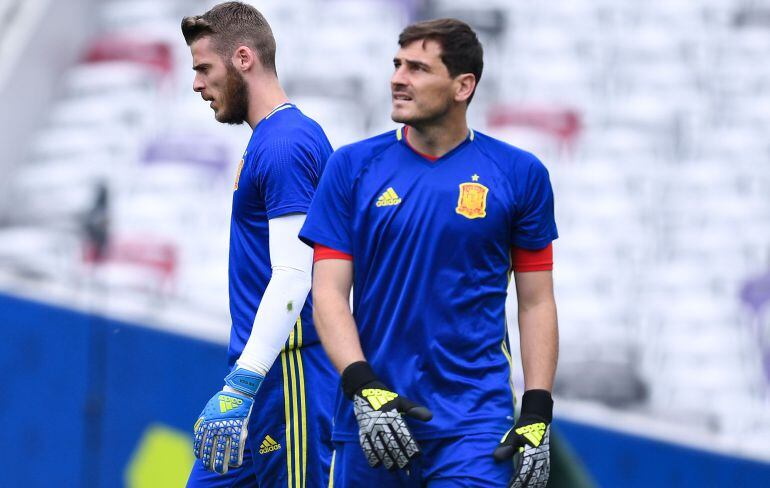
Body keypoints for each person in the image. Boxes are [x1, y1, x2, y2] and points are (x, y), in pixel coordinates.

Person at [299, 18, 559, 487]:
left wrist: (538, 409)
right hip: (373, 417)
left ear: (463, 86)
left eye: (417, 68)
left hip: (475, 425)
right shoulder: (352, 168)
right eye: (397, 65)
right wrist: (363, 386)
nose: (398, 78)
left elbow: (536, 300)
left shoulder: (521, 175)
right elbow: (329, 295)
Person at [180, 3, 336, 486]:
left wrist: (242, 384)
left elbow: (296, 273)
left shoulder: (285, 144)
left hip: (289, 376)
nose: (196, 84)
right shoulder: (272, 138)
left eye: (204, 68)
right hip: (264, 373)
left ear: (243, 58)